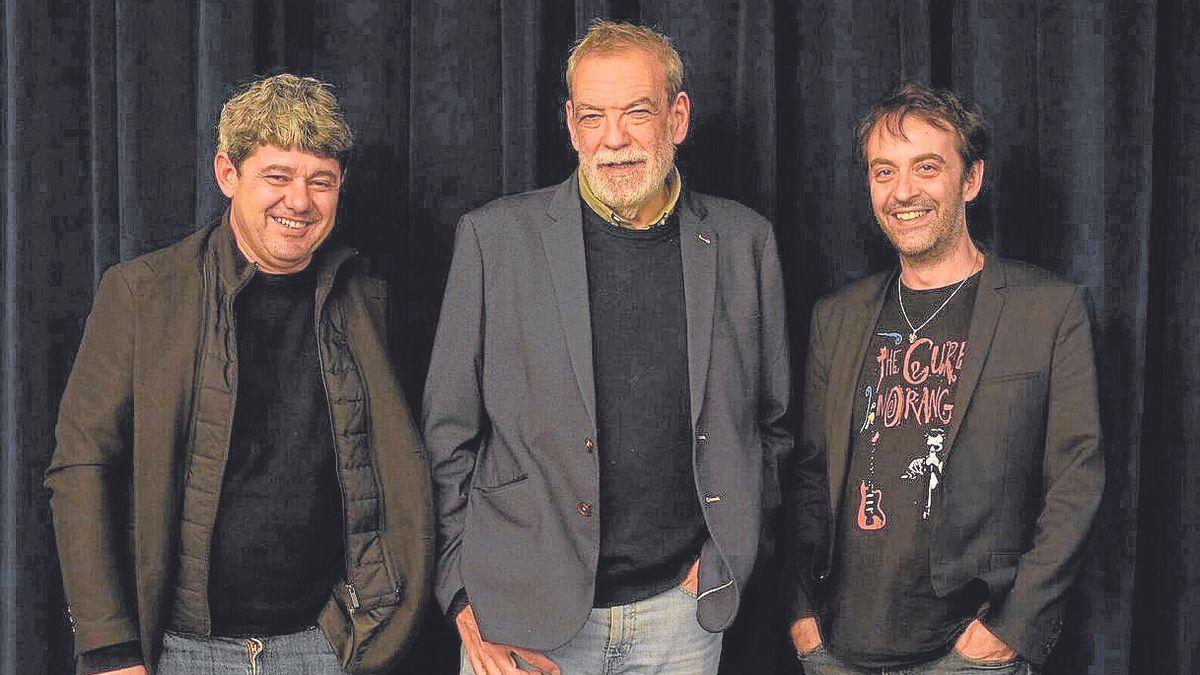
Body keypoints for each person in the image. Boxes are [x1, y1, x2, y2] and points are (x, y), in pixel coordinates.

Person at [423, 20, 792, 675]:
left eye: (636, 112)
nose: (614, 138)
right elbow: (447, 435)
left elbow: (772, 424)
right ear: (570, 124)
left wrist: (726, 554)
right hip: (521, 617)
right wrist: (462, 594)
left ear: (677, 117)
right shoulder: (495, 240)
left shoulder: (744, 242)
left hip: (681, 619)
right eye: (592, 116)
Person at [45, 73, 432, 675]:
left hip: (323, 646)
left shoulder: (368, 300)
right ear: (228, 174)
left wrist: (365, 627)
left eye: (320, 181)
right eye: (277, 177)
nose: (299, 202)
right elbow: (81, 470)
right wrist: (109, 650)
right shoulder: (144, 294)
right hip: (175, 652)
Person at [784, 83, 1103, 674]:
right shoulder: (837, 316)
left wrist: (1012, 629)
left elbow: (1075, 485)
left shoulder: (1047, 310)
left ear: (971, 179)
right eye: (884, 172)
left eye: (926, 168)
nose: (903, 191)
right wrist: (803, 619)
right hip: (836, 651)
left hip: (969, 655)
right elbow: (809, 473)